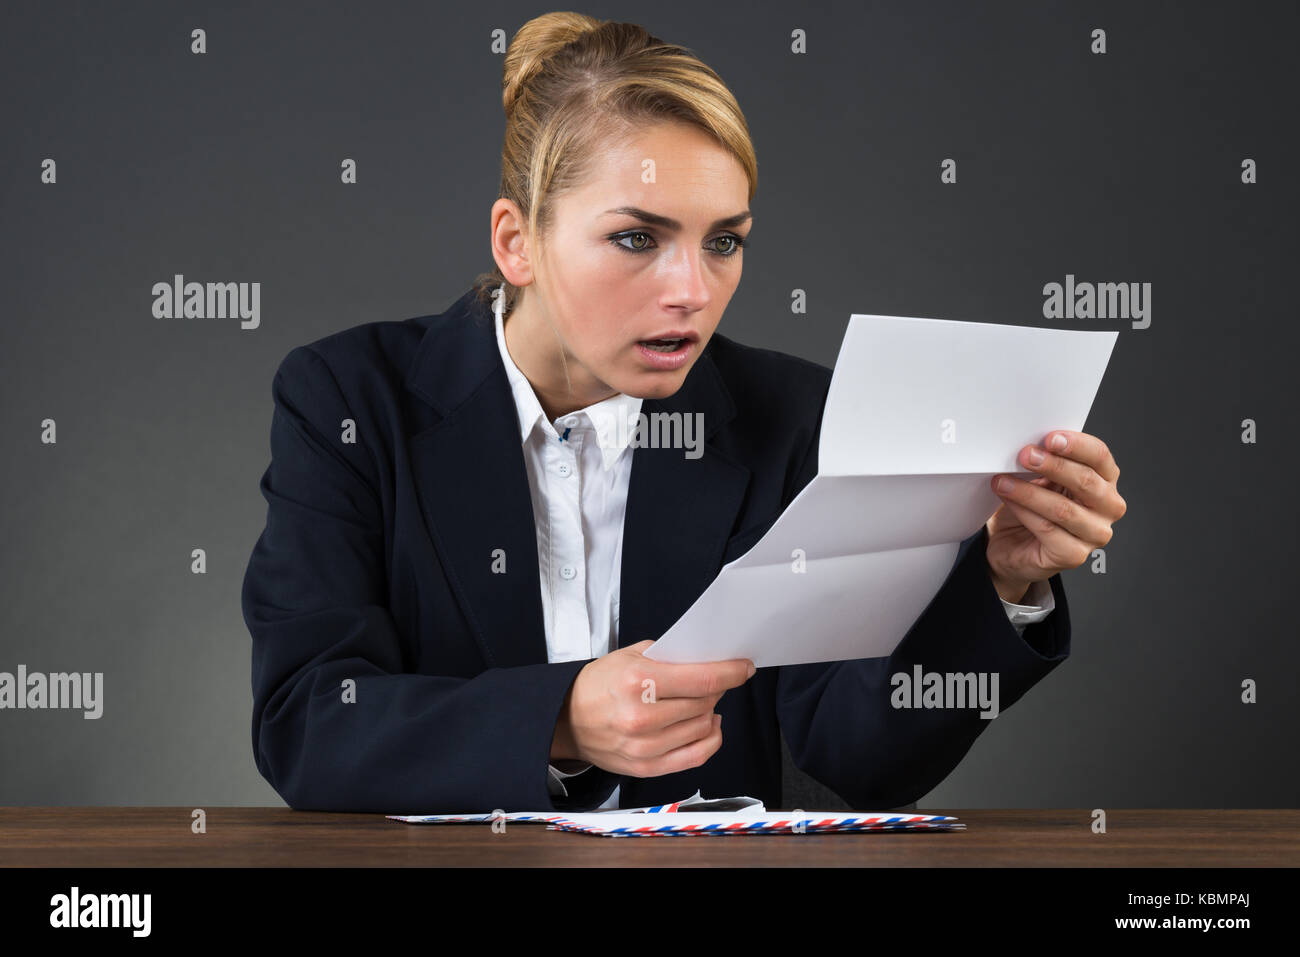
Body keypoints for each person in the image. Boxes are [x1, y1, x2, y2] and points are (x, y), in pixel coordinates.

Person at [242, 12, 1127, 815]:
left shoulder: (790, 416)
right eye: (638, 238)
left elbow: (856, 757)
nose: (693, 292)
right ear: (517, 242)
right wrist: (560, 719)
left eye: (724, 242)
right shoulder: (350, 398)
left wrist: (1002, 583)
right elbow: (309, 720)